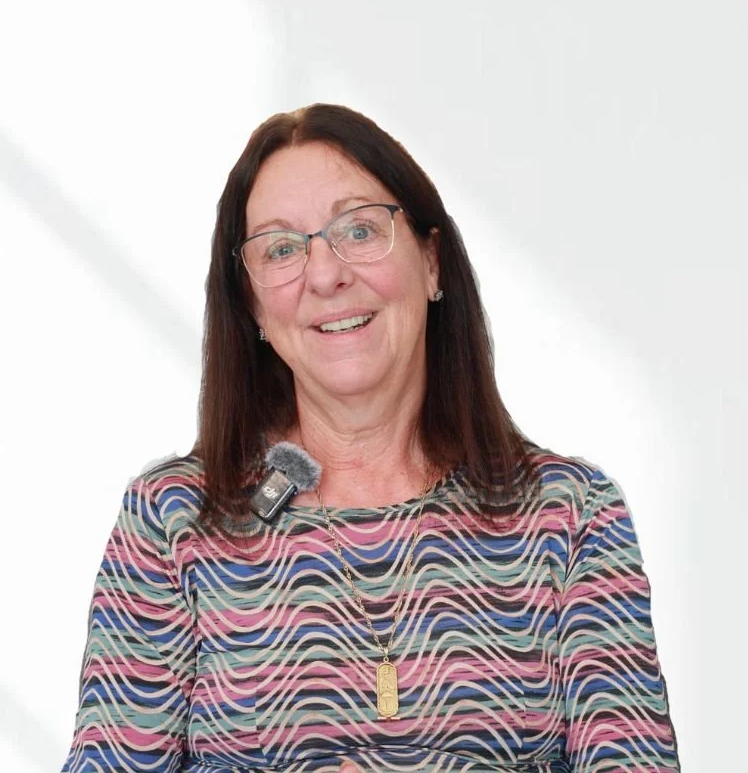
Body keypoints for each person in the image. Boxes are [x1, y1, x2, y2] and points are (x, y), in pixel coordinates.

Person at [61, 104, 680, 772]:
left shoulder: (571, 515)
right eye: (281, 248)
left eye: (359, 230)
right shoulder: (173, 521)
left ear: (433, 262)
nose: (325, 275)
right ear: (254, 311)